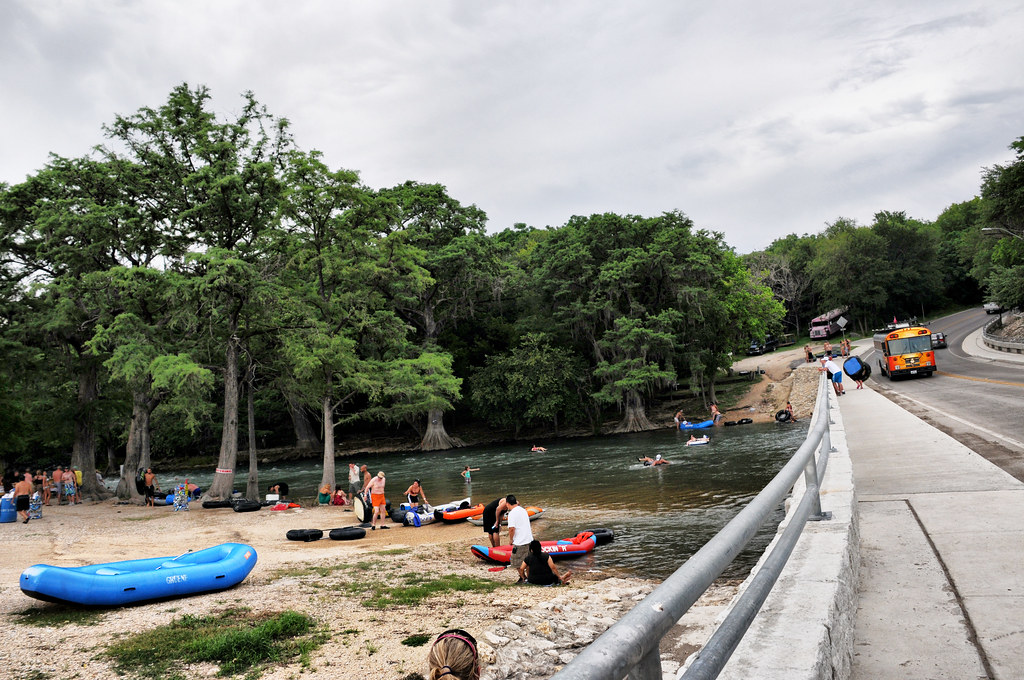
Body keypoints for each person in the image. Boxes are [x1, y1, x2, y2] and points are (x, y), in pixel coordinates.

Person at [505, 495, 534, 580]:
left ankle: (523, 578)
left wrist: (511, 539)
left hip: (520, 541)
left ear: (507, 504)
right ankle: (529, 578)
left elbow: (511, 528)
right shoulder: (523, 510)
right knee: (528, 562)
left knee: (516, 562)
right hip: (529, 539)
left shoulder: (512, 514)